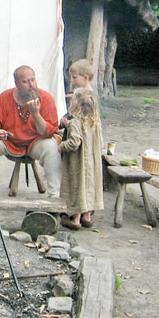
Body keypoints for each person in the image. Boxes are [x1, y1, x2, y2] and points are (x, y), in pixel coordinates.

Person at [0, 65, 63, 198]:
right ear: (17, 84)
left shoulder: (46, 99)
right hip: (9, 142)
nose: (31, 85)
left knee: (51, 146)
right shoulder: (5, 97)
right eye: (25, 81)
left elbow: (48, 132)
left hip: (35, 143)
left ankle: (54, 196)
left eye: (33, 80)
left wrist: (35, 114)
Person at [58, 87, 104, 230]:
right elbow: (99, 141)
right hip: (92, 161)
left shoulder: (76, 123)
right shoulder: (95, 123)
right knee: (90, 187)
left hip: (79, 163)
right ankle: (87, 216)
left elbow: (74, 142)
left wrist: (60, 145)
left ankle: (75, 219)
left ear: (76, 104)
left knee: (78, 187)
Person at [60, 58, 95, 131]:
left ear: (85, 77)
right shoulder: (78, 93)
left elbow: (86, 119)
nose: (72, 80)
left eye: (74, 77)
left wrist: (70, 123)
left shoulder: (87, 96)